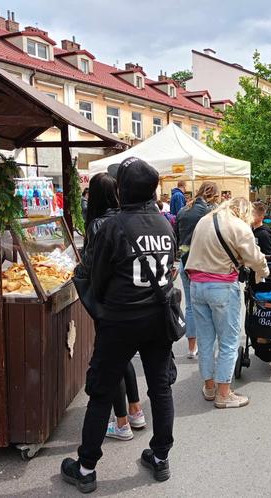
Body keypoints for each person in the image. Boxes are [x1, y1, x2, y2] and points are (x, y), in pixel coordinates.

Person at [61, 157, 178, 492]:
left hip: (121, 321)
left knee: (100, 392)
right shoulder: (164, 224)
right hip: (157, 318)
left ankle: (85, 468)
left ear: (125, 189)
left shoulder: (113, 226)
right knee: (160, 388)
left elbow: (96, 280)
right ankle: (160, 456)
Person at [76, 172, 147, 443]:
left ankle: (121, 423)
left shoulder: (98, 224)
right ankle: (135, 410)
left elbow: (95, 267)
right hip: (128, 298)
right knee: (124, 357)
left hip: (108, 301)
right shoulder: (123, 220)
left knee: (110, 360)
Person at [186, 198, 269, 409]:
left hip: (196, 285)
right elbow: (255, 258)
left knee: (205, 340)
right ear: (245, 212)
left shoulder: (204, 220)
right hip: (221, 286)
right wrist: (264, 273)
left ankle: (209, 387)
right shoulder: (239, 225)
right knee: (229, 341)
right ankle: (224, 394)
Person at [175, 181, 221, 359]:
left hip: (185, 263)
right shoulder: (210, 212)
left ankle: (191, 348)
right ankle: (205, 347)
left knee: (190, 307)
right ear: (213, 194)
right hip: (203, 264)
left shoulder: (183, 210)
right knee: (207, 308)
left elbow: (177, 237)